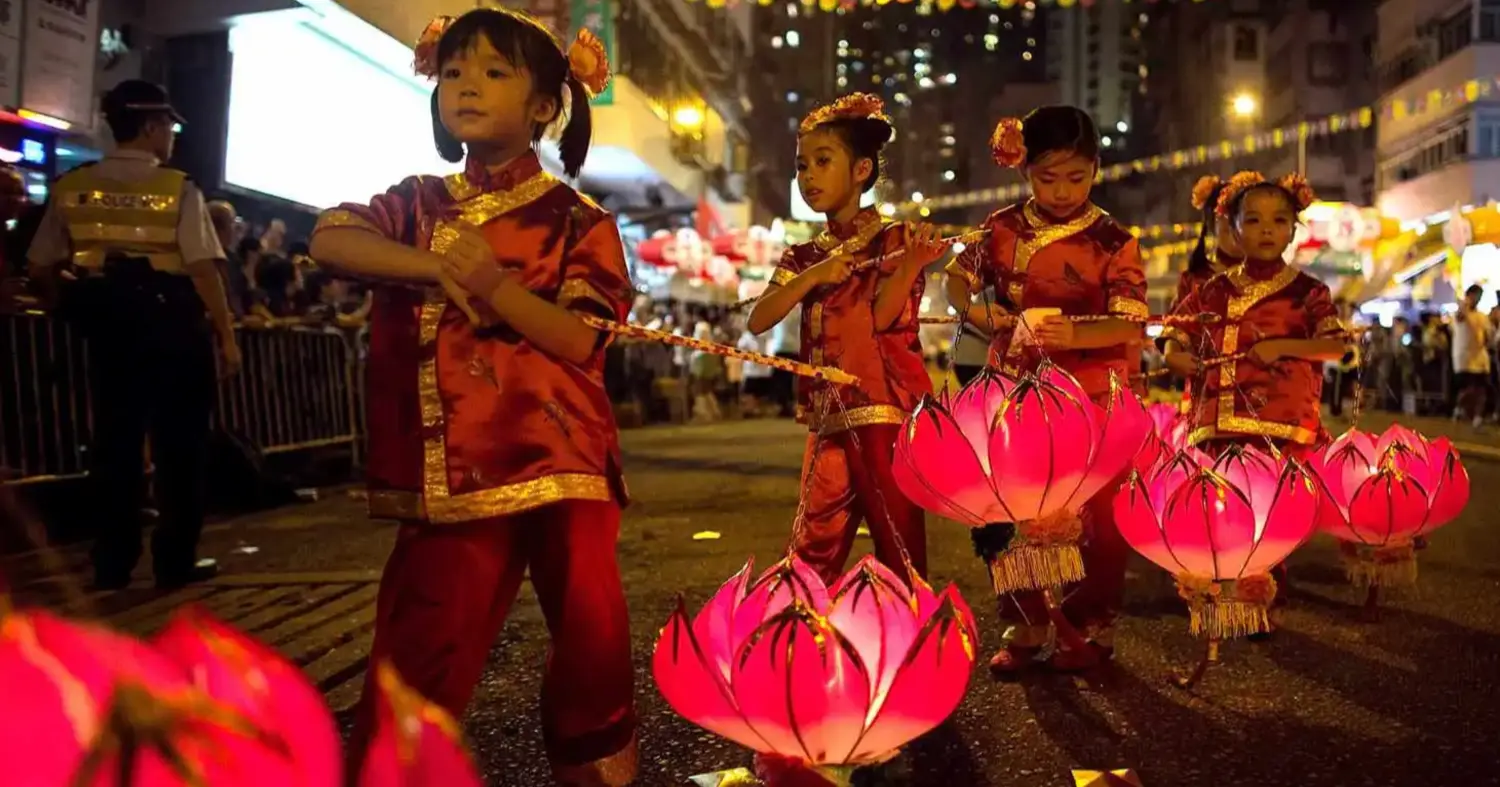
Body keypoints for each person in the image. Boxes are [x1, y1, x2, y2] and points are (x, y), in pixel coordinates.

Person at [307, 10, 636, 784]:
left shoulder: (579, 221)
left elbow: (583, 339)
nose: (466, 87)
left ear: (545, 106)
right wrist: (439, 268)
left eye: (493, 72)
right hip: (453, 475)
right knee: (420, 653)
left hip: (565, 465)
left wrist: (493, 287)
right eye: (453, 73)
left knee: (591, 645)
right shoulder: (418, 203)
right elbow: (329, 238)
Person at [945, 106, 1147, 674]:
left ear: (1097, 169)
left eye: (1076, 177)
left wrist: (1074, 330)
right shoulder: (1001, 228)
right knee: (1006, 512)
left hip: (1092, 396)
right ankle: (1026, 619)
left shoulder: (1114, 240)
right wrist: (990, 316)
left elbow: (1130, 322)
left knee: (1099, 521)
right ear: (1024, 169)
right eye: (1046, 177)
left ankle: (1090, 622)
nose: (1061, 191)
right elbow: (956, 279)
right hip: (1012, 391)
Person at [26, 79, 240, 591]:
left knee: (114, 445)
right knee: (180, 448)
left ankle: (112, 562)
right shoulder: (178, 188)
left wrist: (65, 307)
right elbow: (203, 269)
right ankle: (174, 561)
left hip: (109, 325)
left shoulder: (72, 185)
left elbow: (39, 265)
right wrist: (227, 337)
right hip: (171, 321)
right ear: (149, 127)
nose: (172, 135)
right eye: (168, 125)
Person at [747, 93, 944, 586]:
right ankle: (802, 634)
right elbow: (759, 320)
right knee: (814, 540)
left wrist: (912, 267)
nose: (808, 176)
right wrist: (812, 276)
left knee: (896, 538)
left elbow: (882, 318)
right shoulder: (803, 255)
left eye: (822, 161)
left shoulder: (895, 239)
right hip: (827, 414)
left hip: (882, 408)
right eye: (801, 166)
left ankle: (912, 636)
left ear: (861, 170)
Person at [1163, 171, 1349, 457]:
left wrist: (1281, 347)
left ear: (1293, 232)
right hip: (1218, 433)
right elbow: (1177, 328)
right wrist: (1173, 355)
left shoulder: (1310, 291)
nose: (1266, 229)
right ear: (1234, 230)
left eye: (1279, 220)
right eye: (1253, 220)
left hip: (1287, 433)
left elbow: (1335, 346)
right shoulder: (1213, 290)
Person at [1452, 283, 1492, 429]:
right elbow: (1460, 316)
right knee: (1468, 388)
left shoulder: (1481, 316)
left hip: (1480, 357)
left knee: (1481, 388)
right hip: (1464, 357)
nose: (1477, 299)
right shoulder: (1461, 313)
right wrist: (1464, 304)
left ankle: (1478, 417)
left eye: (1479, 296)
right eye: (1475, 296)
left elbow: (1487, 334)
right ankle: (1459, 408)